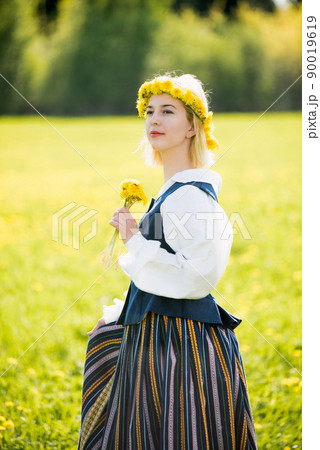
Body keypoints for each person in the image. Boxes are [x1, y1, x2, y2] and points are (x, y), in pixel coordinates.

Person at [78, 73, 257, 449]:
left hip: (181, 348)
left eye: (168, 111)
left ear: (193, 126)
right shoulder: (173, 192)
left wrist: (134, 238)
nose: (153, 120)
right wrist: (118, 315)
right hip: (157, 334)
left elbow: (196, 279)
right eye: (150, 111)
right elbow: (163, 272)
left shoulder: (193, 197)